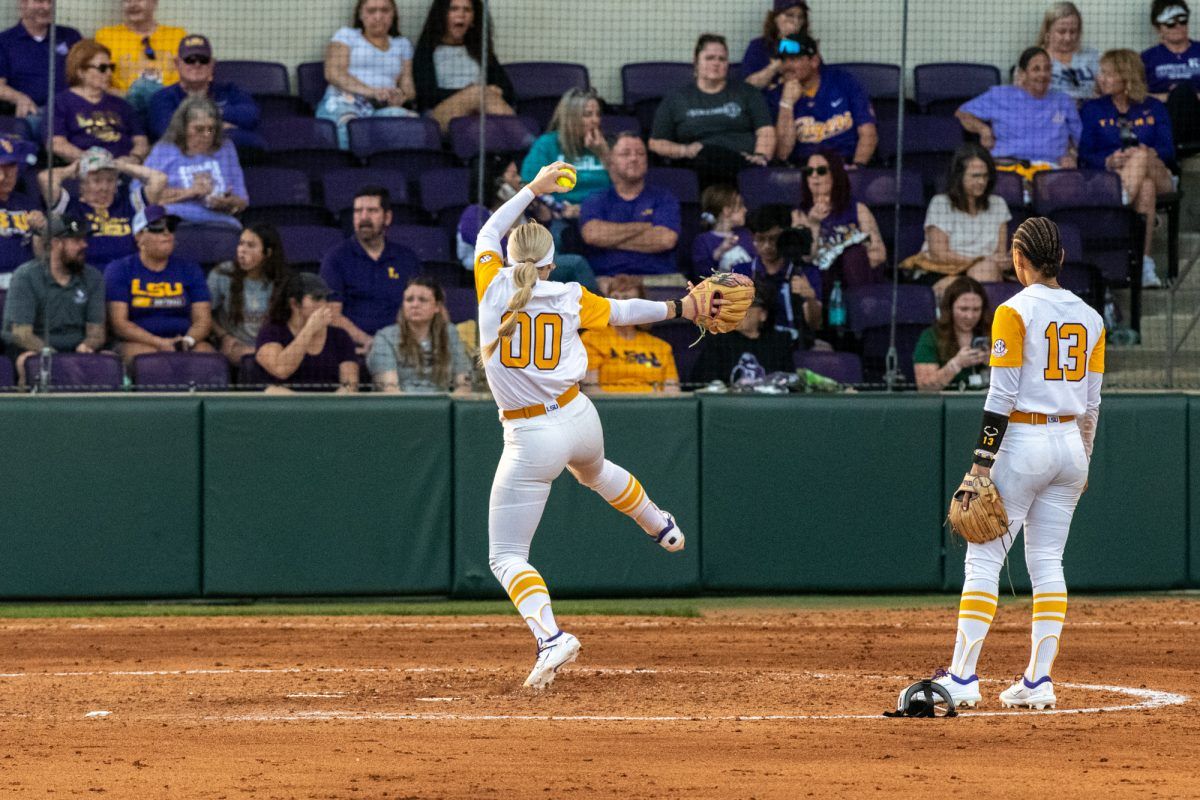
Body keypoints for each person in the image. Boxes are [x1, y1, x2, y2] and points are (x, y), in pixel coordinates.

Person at [473, 160, 699, 689]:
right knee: (595, 472)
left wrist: (532, 188)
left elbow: (487, 230)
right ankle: (660, 524)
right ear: (551, 264)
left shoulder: (490, 286)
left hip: (530, 436)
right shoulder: (572, 294)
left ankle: (551, 637)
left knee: (506, 556)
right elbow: (625, 312)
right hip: (579, 415)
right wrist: (682, 306)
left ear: (511, 259)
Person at [931, 217, 1104, 711]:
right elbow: (1092, 404)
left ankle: (963, 676)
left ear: (1017, 259)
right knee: (1048, 561)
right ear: (1062, 260)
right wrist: (1084, 460)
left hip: (1023, 441)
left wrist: (981, 463)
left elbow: (1001, 394)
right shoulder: (1091, 317)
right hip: (1070, 442)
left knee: (983, 559)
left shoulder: (1012, 310)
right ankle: (1037, 680)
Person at [1081, 49, 1175, 289]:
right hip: (1112, 175)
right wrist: (1109, 160)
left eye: (1108, 74)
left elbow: (1168, 150)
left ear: (1126, 77)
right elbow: (1085, 152)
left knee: (1141, 156)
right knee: (1145, 189)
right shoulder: (1093, 109)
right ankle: (1144, 265)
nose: (1101, 78)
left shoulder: (1153, 107)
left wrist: (1146, 153)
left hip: (1160, 173)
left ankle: (1119, 202)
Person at [649, 33, 775, 186]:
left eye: (721, 59)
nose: (716, 63)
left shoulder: (748, 92)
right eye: (709, 58)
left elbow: (766, 131)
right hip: (701, 166)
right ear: (695, 62)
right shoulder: (676, 99)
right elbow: (656, 143)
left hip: (745, 165)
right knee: (706, 153)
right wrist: (684, 150)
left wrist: (760, 156)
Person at [458, 155, 597, 290]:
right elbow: (506, 252)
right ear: (497, 184)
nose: (519, 179)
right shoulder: (474, 214)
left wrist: (544, 219)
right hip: (497, 278)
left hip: (533, 266)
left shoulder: (527, 207)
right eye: (513, 175)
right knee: (576, 264)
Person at [1, 214, 105, 385]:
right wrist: (56, 359)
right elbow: (21, 334)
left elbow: (97, 332)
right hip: (36, 349)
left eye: (84, 239)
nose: (84, 245)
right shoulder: (26, 276)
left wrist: (88, 345)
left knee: (109, 361)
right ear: (56, 243)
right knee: (27, 362)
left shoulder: (93, 277)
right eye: (76, 240)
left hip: (78, 352)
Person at [104, 204, 214, 364]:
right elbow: (119, 323)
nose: (167, 233)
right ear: (139, 236)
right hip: (138, 342)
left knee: (207, 357)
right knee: (150, 360)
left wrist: (187, 341)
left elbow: (203, 319)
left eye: (171, 227)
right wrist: (159, 343)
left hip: (183, 340)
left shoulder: (190, 269)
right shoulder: (120, 269)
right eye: (157, 228)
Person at [319, 185, 420, 352]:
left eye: (372, 211)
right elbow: (331, 315)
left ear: (387, 218)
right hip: (352, 347)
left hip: (402, 346)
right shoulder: (335, 258)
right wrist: (370, 342)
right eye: (358, 211)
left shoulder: (406, 258)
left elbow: (424, 306)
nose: (363, 217)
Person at [38, 146, 167, 270]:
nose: (104, 187)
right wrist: (72, 169)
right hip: (86, 277)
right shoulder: (69, 205)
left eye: (110, 180)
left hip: (128, 276)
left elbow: (160, 179)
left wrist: (122, 166)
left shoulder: (131, 203)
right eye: (97, 181)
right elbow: (44, 178)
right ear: (83, 184)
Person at [906, 143, 1010, 295]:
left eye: (985, 176)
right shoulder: (941, 203)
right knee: (982, 271)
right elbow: (939, 254)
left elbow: (1000, 254)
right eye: (975, 176)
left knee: (985, 272)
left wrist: (1004, 261)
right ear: (959, 176)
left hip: (988, 272)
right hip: (944, 271)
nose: (981, 182)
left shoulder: (998, 204)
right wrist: (978, 262)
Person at [957, 47, 1081, 174]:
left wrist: (1071, 155)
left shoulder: (1063, 101)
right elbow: (963, 113)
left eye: (1047, 69)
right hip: (1008, 167)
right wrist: (983, 130)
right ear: (1022, 73)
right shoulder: (1001, 96)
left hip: (1051, 169)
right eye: (1036, 69)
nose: (1043, 74)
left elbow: (1079, 139)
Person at [316, 0, 417, 150]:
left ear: (393, 14)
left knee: (413, 123)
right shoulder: (346, 35)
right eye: (371, 11)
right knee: (351, 129)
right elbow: (333, 73)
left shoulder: (402, 44)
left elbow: (408, 87)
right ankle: (351, 170)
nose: (378, 16)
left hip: (380, 107)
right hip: (344, 101)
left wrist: (401, 96)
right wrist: (372, 92)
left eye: (385, 10)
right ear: (361, 14)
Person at [580, 133, 681, 281]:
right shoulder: (596, 198)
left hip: (658, 278)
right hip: (606, 279)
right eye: (625, 153)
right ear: (611, 161)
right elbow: (593, 235)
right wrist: (644, 227)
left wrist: (611, 240)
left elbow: (665, 240)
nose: (634, 158)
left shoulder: (664, 198)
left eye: (640, 153)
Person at [767, 33, 877, 168]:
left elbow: (868, 132)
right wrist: (786, 104)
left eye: (794, 59)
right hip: (803, 171)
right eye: (784, 60)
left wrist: (858, 166)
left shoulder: (843, 81)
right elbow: (782, 154)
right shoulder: (777, 95)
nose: (787, 65)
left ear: (814, 61)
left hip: (846, 163)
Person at [139, 95, 248, 229]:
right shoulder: (164, 150)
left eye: (211, 129)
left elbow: (242, 200)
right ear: (183, 128)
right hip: (175, 223)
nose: (207, 135)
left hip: (221, 224)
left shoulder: (225, 148)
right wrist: (191, 192)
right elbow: (143, 197)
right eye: (199, 129)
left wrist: (228, 203)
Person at [148, 35, 264, 151]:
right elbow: (168, 132)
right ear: (177, 63)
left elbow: (252, 125)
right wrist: (221, 126)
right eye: (190, 59)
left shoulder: (230, 90)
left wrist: (195, 121)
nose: (197, 64)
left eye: (203, 59)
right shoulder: (162, 98)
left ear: (212, 64)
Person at [413, 0, 515, 133]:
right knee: (477, 94)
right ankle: (529, 144)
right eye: (453, 9)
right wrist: (469, 94)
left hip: (479, 115)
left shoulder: (480, 51)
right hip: (438, 118)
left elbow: (508, 91)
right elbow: (426, 95)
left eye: (467, 10)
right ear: (442, 15)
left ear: (473, 19)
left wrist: (495, 91)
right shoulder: (427, 50)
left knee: (483, 103)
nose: (461, 15)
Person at [793, 149, 886, 292]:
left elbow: (879, 254)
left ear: (835, 175)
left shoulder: (858, 209)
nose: (814, 176)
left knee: (854, 256)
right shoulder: (798, 215)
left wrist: (847, 264)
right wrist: (813, 224)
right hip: (819, 285)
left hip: (855, 280)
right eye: (809, 171)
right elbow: (805, 258)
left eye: (821, 171)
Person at [255, 272, 359, 393]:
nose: (324, 304)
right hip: (286, 407)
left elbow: (350, 385)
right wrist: (309, 329)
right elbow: (281, 370)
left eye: (325, 298)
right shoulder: (271, 333)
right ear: (294, 303)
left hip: (328, 407)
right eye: (317, 299)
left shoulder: (340, 337)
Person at [51, 39, 149, 164]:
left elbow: (141, 140)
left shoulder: (121, 103)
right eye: (102, 68)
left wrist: (134, 158)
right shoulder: (61, 102)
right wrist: (94, 161)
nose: (109, 73)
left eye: (111, 67)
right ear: (81, 72)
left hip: (124, 167)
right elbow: (57, 144)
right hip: (85, 171)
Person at [368, 276, 472, 393]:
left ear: (437, 307)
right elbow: (390, 389)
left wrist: (449, 409)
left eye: (422, 300)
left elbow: (464, 384)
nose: (415, 305)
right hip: (401, 407)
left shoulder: (450, 333)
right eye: (409, 300)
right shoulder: (385, 337)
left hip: (442, 405)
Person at [581, 276, 680, 394]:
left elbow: (673, 391)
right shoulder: (591, 339)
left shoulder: (661, 347)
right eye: (614, 298)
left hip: (653, 407)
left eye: (626, 299)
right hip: (611, 407)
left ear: (642, 307)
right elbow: (591, 389)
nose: (620, 305)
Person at [208, 223, 289, 366]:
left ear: (268, 253)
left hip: (272, 346)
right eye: (241, 244)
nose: (242, 251)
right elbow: (203, 314)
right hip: (236, 346)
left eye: (251, 246)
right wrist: (223, 336)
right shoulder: (221, 274)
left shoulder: (281, 280)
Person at [0, 0, 82, 136]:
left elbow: (87, 73)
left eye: (50, 2)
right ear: (23, 4)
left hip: (71, 112)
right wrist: (19, 97)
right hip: (33, 114)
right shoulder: (4, 41)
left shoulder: (70, 36)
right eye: (39, 1)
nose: (46, 7)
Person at [520, 87, 612, 205]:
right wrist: (558, 208)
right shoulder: (546, 144)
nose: (595, 120)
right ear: (571, 118)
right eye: (588, 114)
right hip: (561, 215)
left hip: (602, 213)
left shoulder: (605, 144)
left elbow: (624, 187)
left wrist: (603, 153)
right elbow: (529, 186)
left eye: (598, 114)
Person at [745, 204, 822, 342]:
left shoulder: (805, 272)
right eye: (761, 239)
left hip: (798, 343)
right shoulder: (741, 272)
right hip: (757, 345)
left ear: (785, 235)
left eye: (773, 238)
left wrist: (810, 298)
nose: (767, 246)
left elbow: (815, 325)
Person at [95, 0, 187, 113]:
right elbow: (97, 83)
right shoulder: (106, 37)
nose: (133, 4)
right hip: (123, 110)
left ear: (154, 3)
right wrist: (128, 97)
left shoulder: (177, 36)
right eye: (127, 0)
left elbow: (188, 81)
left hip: (169, 110)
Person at [690, 290, 795, 386]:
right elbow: (701, 382)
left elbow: (790, 383)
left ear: (763, 315)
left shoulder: (778, 343)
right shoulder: (719, 341)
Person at [913, 276, 992, 392]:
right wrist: (956, 364)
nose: (970, 316)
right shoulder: (930, 336)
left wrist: (994, 363)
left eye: (976, 310)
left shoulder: (994, 333)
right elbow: (924, 387)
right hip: (946, 402)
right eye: (963, 309)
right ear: (950, 308)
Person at [1141, 0, 1200, 147]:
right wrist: (1171, 97)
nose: (1178, 27)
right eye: (1170, 23)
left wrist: (1189, 95)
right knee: (1180, 93)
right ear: (1158, 28)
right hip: (1163, 115)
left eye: (1183, 21)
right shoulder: (1147, 58)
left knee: (1183, 92)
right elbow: (1137, 94)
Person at [0, 136, 45, 287]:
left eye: (11, 166)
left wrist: (40, 230)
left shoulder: (28, 203)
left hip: (24, 284)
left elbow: (42, 257)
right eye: (1, 168)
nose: (6, 175)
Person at [1037, 2, 1100, 104]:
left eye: (1073, 31)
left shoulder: (1092, 57)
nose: (1068, 38)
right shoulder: (1033, 59)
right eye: (1061, 31)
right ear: (1047, 31)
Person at [740, 0, 811, 89]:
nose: (795, 21)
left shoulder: (808, 46)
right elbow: (748, 86)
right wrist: (776, 65)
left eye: (800, 17)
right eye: (789, 15)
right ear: (776, 18)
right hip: (765, 101)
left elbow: (819, 81)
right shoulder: (758, 46)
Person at [693, 184, 755, 277]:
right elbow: (701, 275)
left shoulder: (746, 235)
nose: (745, 210)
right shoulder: (702, 241)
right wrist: (719, 252)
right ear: (726, 210)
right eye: (741, 206)